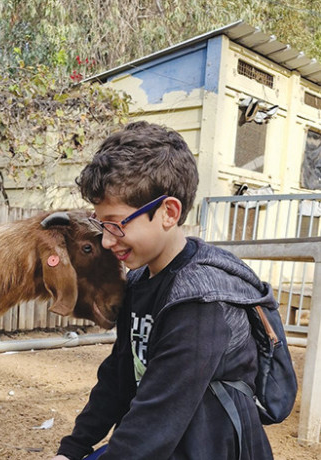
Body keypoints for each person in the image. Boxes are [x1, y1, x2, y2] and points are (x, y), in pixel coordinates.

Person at [51, 121, 274, 460]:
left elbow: (157, 419)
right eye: (100, 223)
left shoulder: (199, 302)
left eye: (115, 222)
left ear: (168, 213)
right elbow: (119, 377)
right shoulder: (141, 281)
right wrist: (72, 450)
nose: (107, 240)